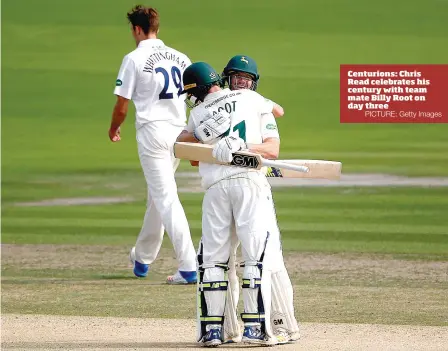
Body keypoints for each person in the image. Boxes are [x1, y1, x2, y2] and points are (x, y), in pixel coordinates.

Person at [177, 61, 295, 347]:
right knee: (256, 256)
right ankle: (256, 329)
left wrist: (232, 143)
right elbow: (274, 149)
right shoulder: (250, 98)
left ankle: (213, 332)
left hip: (216, 188)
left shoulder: (199, 112)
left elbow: (186, 152)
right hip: (247, 184)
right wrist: (212, 139)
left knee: (214, 260)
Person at [108, 5, 197, 284]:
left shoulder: (133, 58)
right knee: (158, 197)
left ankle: (189, 265)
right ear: (156, 27)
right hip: (178, 132)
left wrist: (113, 128)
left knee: (166, 198)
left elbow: (122, 104)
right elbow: (196, 99)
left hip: (153, 133)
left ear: (136, 29)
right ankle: (143, 258)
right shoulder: (182, 58)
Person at [220, 55, 300, 343]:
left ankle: (282, 324)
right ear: (226, 78)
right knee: (220, 261)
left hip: (254, 188)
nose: (241, 82)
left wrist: (241, 145)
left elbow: (273, 148)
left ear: (253, 83)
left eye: (246, 79)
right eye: (236, 77)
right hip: (221, 190)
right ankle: (226, 328)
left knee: (268, 255)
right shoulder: (215, 109)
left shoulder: (260, 106)